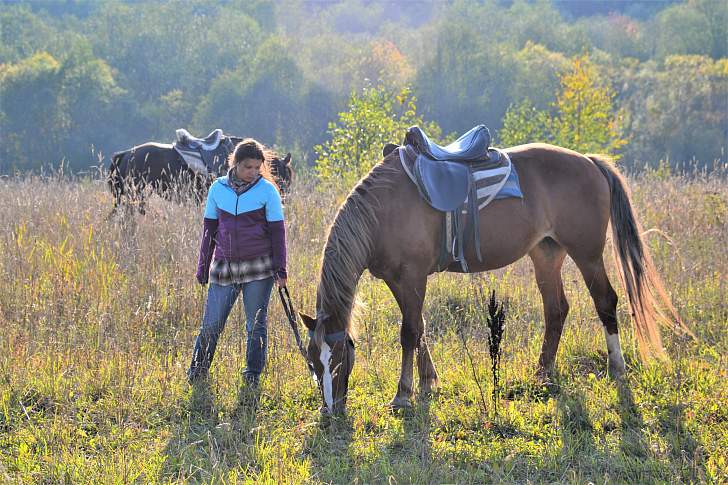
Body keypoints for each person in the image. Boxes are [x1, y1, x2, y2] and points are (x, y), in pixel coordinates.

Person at [187, 138, 287, 387]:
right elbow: (209, 231)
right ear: (235, 163)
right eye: (247, 167)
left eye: (257, 167)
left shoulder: (267, 191)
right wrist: (202, 266)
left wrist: (280, 268)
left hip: (259, 269)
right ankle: (197, 372)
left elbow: (278, 233)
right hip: (224, 268)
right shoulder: (217, 189)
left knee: (255, 326)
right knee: (211, 324)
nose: (253, 173)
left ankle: (252, 375)